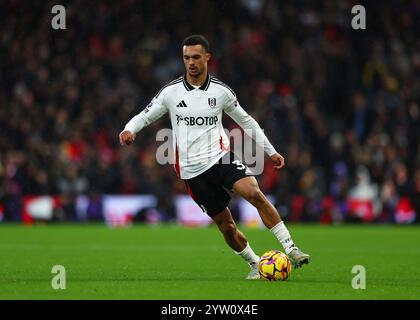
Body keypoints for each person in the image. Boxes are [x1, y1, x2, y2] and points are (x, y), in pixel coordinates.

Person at [119, 35, 310, 279]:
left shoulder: (221, 92)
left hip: (221, 157)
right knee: (227, 227)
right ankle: (254, 263)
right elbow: (145, 115)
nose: (191, 63)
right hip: (191, 171)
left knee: (254, 193)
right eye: (187, 58)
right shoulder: (171, 92)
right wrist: (129, 129)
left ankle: (291, 248)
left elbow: (247, 121)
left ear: (207, 57)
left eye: (196, 57)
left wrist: (270, 151)